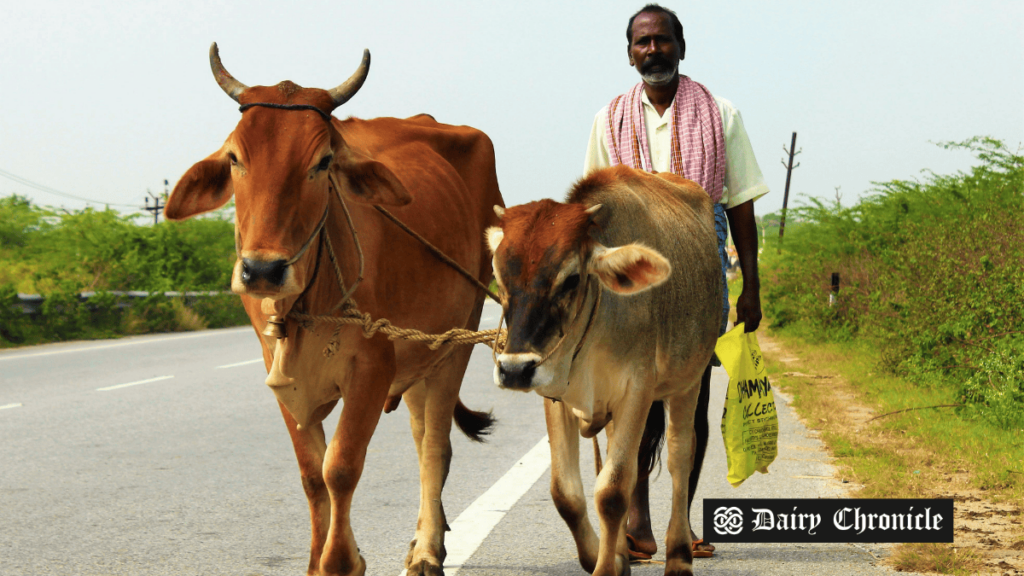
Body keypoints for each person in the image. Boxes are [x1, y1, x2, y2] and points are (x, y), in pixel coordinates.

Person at [583, 3, 768, 560]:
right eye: (642, 42)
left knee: (691, 394)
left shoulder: (721, 114)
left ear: (681, 46)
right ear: (630, 52)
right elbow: (592, 206)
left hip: (696, 272)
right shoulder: (608, 118)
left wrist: (750, 286)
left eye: (662, 41)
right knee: (628, 403)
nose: (652, 51)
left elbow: (738, 207)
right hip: (632, 275)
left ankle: (679, 519)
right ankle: (636, 518)